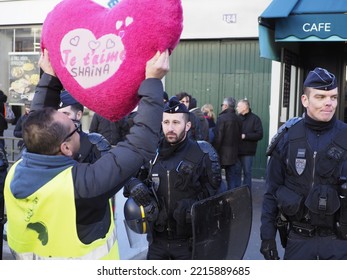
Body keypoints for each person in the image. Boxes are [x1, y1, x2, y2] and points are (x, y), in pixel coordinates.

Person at [3, 48, 170, 260]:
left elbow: (37, 122)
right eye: (74, 128)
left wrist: (50, 76)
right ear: (65, 147)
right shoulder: (82, 185)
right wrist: (153, 81)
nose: (77, 127)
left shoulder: (19, 167)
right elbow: (139, 145)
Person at [260, 67, 347, 260]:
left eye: (333, 97)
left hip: (339, 243)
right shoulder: (287, 138)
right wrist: (267, 237)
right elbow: (271, 192)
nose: (329, 103)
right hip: (298, 241)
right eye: (321, 97)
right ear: (305, 100)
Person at [124, 96, 222, 260]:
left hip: (188, 243)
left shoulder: (201, 153)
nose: (170, 128)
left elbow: (216, 194)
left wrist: (191, 206)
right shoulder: (150, 152)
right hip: (156, 242)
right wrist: (134, 185)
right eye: (166, 122)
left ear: (188, 125)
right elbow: (128, 178)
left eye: (176, 123)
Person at [213, 97, 242, 190]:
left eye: (222, 105)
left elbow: (219, 137)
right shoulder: (238, 118)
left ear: (225, 106)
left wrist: (214, 150)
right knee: (231, 178)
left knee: (218, 178)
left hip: (222, 153)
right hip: (234, 153)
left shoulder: (222, 118)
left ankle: (222, 198)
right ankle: (232, 198)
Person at [235, 99, 263, 189]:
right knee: (236, 173)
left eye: (238, 106)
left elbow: (259, 134)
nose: (236, 108)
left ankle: (246, 193)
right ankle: (236, 193)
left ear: (244, 107)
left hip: (248, 152)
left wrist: (245, 136)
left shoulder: (255, 119)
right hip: (236, 151)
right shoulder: (236, 118)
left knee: (247, 172)